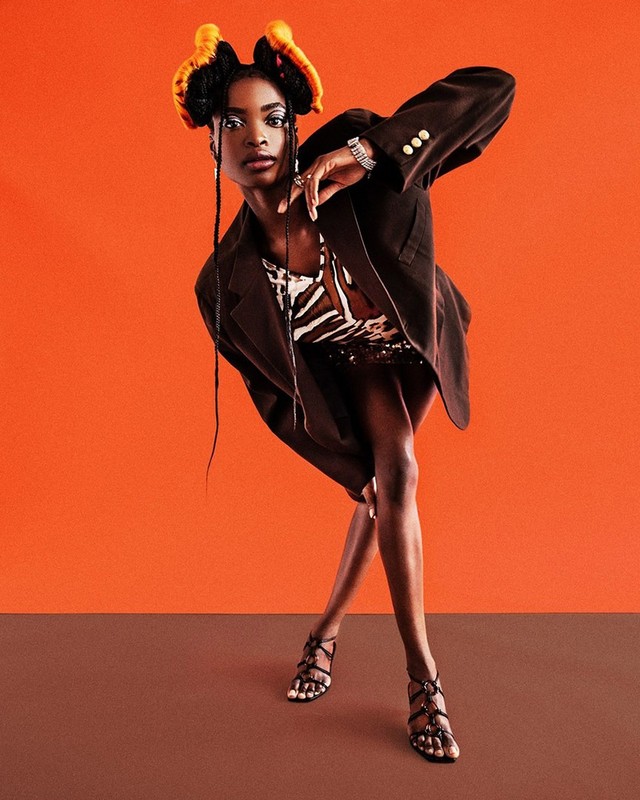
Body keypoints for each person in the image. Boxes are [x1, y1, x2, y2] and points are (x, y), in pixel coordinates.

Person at [173, 20, 516, 763]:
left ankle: (341, 644)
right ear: (210, 143)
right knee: (389, 481)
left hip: (418, 341)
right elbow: (275, 400)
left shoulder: (355, 156)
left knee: (393, 487)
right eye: (234, 123)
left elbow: (495, 91)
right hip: (357, 367)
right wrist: (345, 468)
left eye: (272, 118)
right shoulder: (222, 285)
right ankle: (413, 674)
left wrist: (368, 153)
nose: (256, 136)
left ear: (293, 127)